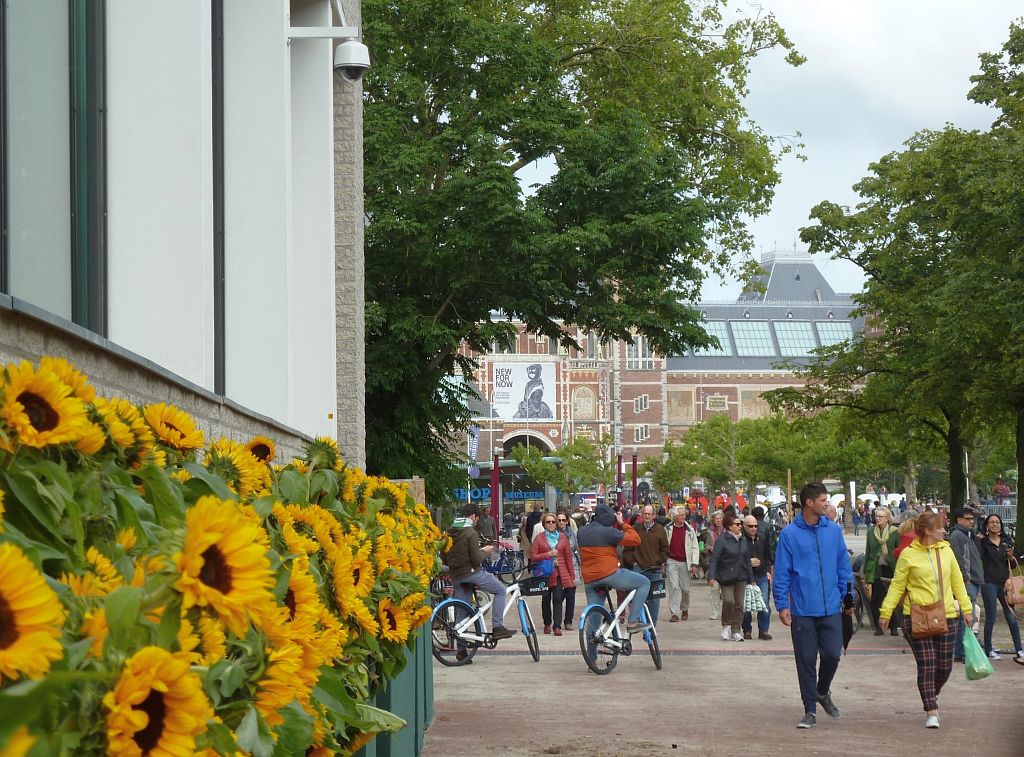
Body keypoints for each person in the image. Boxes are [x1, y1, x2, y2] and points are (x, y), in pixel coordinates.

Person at [879, 511, 973, 729]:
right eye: (940, 527)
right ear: (928, 531)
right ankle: (931, 709)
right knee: (927, 665)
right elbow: (897, 586)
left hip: (947, 615)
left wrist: (967, 609)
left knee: (944, 667)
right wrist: (886, 612)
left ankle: (931, 692)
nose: (944, 531)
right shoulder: (908, 555)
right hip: (916, 616)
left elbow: (958, 583)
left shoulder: (947, 551)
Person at [773, 483, 854, 730]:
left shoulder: (833, 531)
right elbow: (782, 572)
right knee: (806, 660)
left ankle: (822, 690)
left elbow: (844, 567)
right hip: (802, 609)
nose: (827, 504)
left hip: (830, 607)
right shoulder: (789, 535)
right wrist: (782, 604)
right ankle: (809, 709)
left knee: (832, 654)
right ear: (809, 502)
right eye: (823, 500)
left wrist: (848, 596)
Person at [445, 504, 517, 662]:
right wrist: (485, 551)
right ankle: (497, 626)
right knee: (499, 590)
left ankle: (462, 651)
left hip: (456, 575)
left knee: (462, 611)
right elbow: (476, 559)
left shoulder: (449, 532)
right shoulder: (470, 532)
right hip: (472, 573)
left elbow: (444, 557)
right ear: (473, 516)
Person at [577, 503, 651, 632]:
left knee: (594, 618)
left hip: (589, 578)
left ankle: (591, 650)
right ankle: (633, 622)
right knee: (644, 583)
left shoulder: (581, 532)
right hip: (609, 574)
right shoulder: (609, 532)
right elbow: (635, 540)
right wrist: (622, 523)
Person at [977, 513, 1023, 661]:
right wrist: (978, 541)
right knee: (991, 616)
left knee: (1011, 616)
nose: (995, 525)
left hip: (1005, 583)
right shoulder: (983, 542)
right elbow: (978, 558)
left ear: (1001, 525)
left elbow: (1014, 564)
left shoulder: (1006, 541)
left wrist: (1010, 556)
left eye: (997, 522)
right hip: (989, 582)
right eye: (991, 522)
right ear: (987, 525)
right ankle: (989, 649)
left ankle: (1019, 649)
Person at [708, 511, 754, 642]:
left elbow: (747, 560)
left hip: (741, 576)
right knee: (729, 601)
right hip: (726, 576)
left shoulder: (743, 540)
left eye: (741, 524)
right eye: (737, 524)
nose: (740, 526)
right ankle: (726, 625)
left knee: (739, 604)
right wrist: (712, 576)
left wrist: (752, 579)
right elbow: (715, 559)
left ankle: (736, 630)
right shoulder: (722, 541)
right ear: (729, 526)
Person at [530, 513, 576, 636]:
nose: (551, 524)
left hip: (559, 573)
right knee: (546, 599)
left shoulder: (562, 538)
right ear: (544, 524)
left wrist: (572, 576)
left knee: (557, 599)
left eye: (553, 522)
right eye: (548, 522)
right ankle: (547, 623)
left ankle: (557, 626)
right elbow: (533, 556)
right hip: (545, 573)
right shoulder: (539, 538)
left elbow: (568, 558)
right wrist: (548, 554)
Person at [948, 506, 984, 663]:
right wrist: (966, 579)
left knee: (966, 617)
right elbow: (960, 560)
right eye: (968, 519)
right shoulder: (957, 535)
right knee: (966, 618)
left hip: (973, 580)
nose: (971, 521)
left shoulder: (967, 535)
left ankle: (959, 651)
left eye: (972, 519)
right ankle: (962, 651)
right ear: (959, 520)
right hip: (968, 582)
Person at [623, 504, 669, 625]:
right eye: (645, 513)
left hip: (655, 570)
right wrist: (632, 562)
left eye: (649, 514)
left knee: (654, 600)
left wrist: (658, 561)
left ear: (654, 515)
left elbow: (665, 550)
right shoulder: (635, 529)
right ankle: (636, 619)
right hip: (638, 568)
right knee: (636, 596)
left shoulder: (660, 530)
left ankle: (651, 626)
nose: (647, 516)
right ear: (642, 515)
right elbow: (627, 550)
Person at [864, 507, 900, 636]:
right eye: (877, 516)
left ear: (888, 519)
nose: (878, 518)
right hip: (876, 569)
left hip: (891, 569)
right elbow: (868, 551)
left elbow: (899, 551)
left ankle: (894, 627)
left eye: (881, 516)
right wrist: (865, 571)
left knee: (892, 599)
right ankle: (878, 627)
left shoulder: (895, 532)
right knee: (876, 599)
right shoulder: (870, 532)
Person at [741, 514, 774, 640]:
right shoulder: (741, 541)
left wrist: (768, 570)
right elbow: (736, 558)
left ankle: (764, 630)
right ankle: (747, 629)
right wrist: (749, 562)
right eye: (750, 526)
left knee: (764, 603)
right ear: (744, 526)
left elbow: (767, 556)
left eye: (755, 526)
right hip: (745, 576)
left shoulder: (762, 538)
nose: (753, 528)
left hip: (761, 574)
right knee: (746, 604)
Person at [665, 506, 700, 622]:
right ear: (675, 516)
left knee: (686, 589)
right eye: (681, 515)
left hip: (686, 562)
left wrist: (695, 564)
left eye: (684, 515)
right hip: (671, 561)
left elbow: (695, 547)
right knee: (673, 587)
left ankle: (684, 608)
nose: (684, 517)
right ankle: (674, 613)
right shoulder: (668, 529)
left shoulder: (689, 530)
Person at [555, 511, 581, 630]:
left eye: (563, 520)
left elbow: (576, 550)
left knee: (571, 595)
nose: (561, 522)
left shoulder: (572, 533)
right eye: (559, 520)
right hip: (558, 567)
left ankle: (568, 621)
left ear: (567, 521)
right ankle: (557, 622)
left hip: (572, 566)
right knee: (558, 596)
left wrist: (580, 566)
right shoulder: (552, 534)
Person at [702, 510, 725, 620]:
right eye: (717, 518)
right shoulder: (709, 532)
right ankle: (716, 612)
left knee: (726, 590)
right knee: (714, 588)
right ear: (713, 520)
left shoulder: (727, 531)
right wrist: (709, 548)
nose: (719, 520)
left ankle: (726, 611)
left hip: (725, 563)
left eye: (720, 518)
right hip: (713, 562)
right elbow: (706, 546)